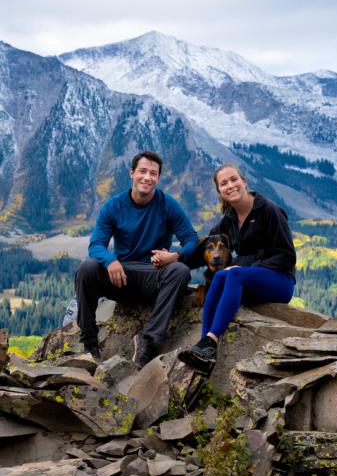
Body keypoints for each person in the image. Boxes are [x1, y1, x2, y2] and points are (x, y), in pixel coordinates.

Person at [75, 151, 198, 368]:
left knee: (180, 271)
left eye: (153, 173)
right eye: (142, 171)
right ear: (132, 173)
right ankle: (90, 344)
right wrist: (110, 261)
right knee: (86, 268)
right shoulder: (113, 206)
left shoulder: (168, 204)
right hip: (121, 278)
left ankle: (148, 344)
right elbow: (96, 245)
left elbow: (191, 238)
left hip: (154, 276)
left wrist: (175, 256)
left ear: (158, 178)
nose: (147, 177)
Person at [178, 164, 296, 369]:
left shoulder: (269, 211)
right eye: (224, 183)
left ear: (244, 182)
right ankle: (204, 346)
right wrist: (174, 260)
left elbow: (287, 257)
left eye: (234, 180)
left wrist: (243, 266)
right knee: (221, 276)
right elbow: (202, 251)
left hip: (280, 280)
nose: (230, 185)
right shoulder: (229, 220)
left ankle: (211, 340)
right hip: (250, 278)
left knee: (233, 275)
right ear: (219, 191)